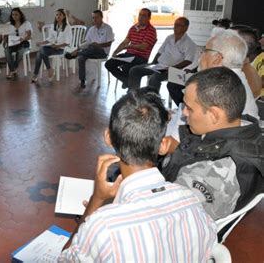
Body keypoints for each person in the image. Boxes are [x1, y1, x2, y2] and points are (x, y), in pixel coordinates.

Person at [59, 88, 217, 261]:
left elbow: (64, 258)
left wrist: (96, 199)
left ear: (108, 137)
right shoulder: (193, 202)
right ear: (163, 145)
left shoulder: (102, 227)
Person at [161, 67, 264, 220]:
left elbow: (164, 219)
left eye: (189, 108)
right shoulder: (248, 129)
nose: (184, 113)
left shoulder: (214, 174)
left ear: (214, 115)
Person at [128, 17, 196, 91]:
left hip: (172, 69)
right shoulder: (169, 38)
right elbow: (160, 51)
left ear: (185, 28)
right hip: (158, 65)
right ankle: (133, 94)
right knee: (134, 70)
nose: (175, 27)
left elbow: (188, 60)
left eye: (179, 25)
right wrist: (153, 63)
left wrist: (174, 68)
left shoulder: (189, 43)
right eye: (175, 24)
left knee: (154, 78)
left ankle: (152, 100)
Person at [105, 8, 157, 89]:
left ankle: (130, 86)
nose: (141, 17)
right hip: (128, 55)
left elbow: (143, 46)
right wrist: (115, 51)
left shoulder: (151, 30)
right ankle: (126, 81)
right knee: (109, 63)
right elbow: (125, 42)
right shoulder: (133, 28)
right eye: (140, 15)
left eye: (144, 15)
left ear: (149, 18)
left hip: (140, 57)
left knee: (127, 68)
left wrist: (130, 46)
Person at [65, 10, 114, 89]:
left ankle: (77, 53)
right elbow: (87, 42)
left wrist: (99, 45)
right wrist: (78, 48)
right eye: (93, 18)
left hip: (102, 52)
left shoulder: (108, 28)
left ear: (101, 17)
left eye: (96, 17)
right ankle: (82, 80)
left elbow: (109, 43)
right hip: (90, 51)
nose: (94, 20)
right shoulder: (92, 29)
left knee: (93, 47)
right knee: (82, 57)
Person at [32, 8, 72, 83]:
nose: (58, 16)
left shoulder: (67, 27)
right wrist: (41, 43)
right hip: (52, 47)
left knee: (40, 52)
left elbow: (68, 42)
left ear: (64, 16)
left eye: (60, 15)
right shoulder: (54, 26)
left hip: (61, 49)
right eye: (56, 15)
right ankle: (49, 70)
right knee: (41, 50)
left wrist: (58, 46)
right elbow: (49, 39)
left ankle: (36, 74)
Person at [3, 7, 32, 80]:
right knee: (6, 50)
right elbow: (5, 35)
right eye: (13, 15)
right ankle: (13, 71)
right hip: (12, 44)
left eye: (16, 14)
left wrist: (22, 39)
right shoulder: (9, 24)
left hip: (23, 43)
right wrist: (4, 41)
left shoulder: (26, 23)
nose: (14, 16)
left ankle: (13, 69)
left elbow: (29, 35)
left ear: (20, 15)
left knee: (20, 51)